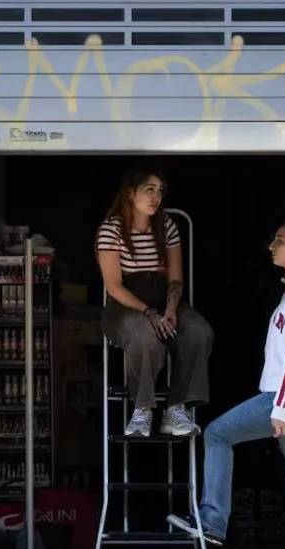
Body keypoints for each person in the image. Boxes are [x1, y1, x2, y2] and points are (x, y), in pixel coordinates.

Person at [168, 217, 285, 549]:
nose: (272, 246)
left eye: (280, 240)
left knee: (217, 434)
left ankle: (213, 519)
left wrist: (281, 407)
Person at [95, 169, 214, 437]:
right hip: (126, 304)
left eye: (160, 190)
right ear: (130, 193)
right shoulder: (111, 229)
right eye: (149, 189)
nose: (156, 196)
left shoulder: (167, 225)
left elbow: (175, 280)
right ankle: (142, 409)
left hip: (164, 298)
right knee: (144, 334)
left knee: (198, 331)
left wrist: (170, 309)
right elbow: (114, 286)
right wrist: (149, 312)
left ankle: (177, 407)